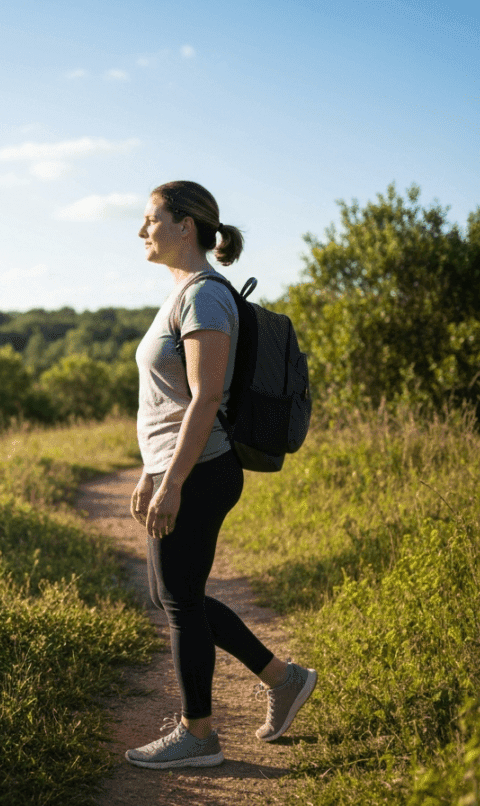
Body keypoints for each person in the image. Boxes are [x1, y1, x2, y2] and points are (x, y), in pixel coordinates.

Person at [125, 180, 317, 770]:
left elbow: (206, 399)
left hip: (203, 469)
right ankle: (283, 679)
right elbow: (170, 400)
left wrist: (175, 480)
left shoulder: (205, 297)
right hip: (182, 466)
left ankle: (198, 735)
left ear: (186, 225)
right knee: (174, 594)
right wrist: (150, 470)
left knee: (180, 601)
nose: (141, 230)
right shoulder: (182, 294)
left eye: (151, 218)